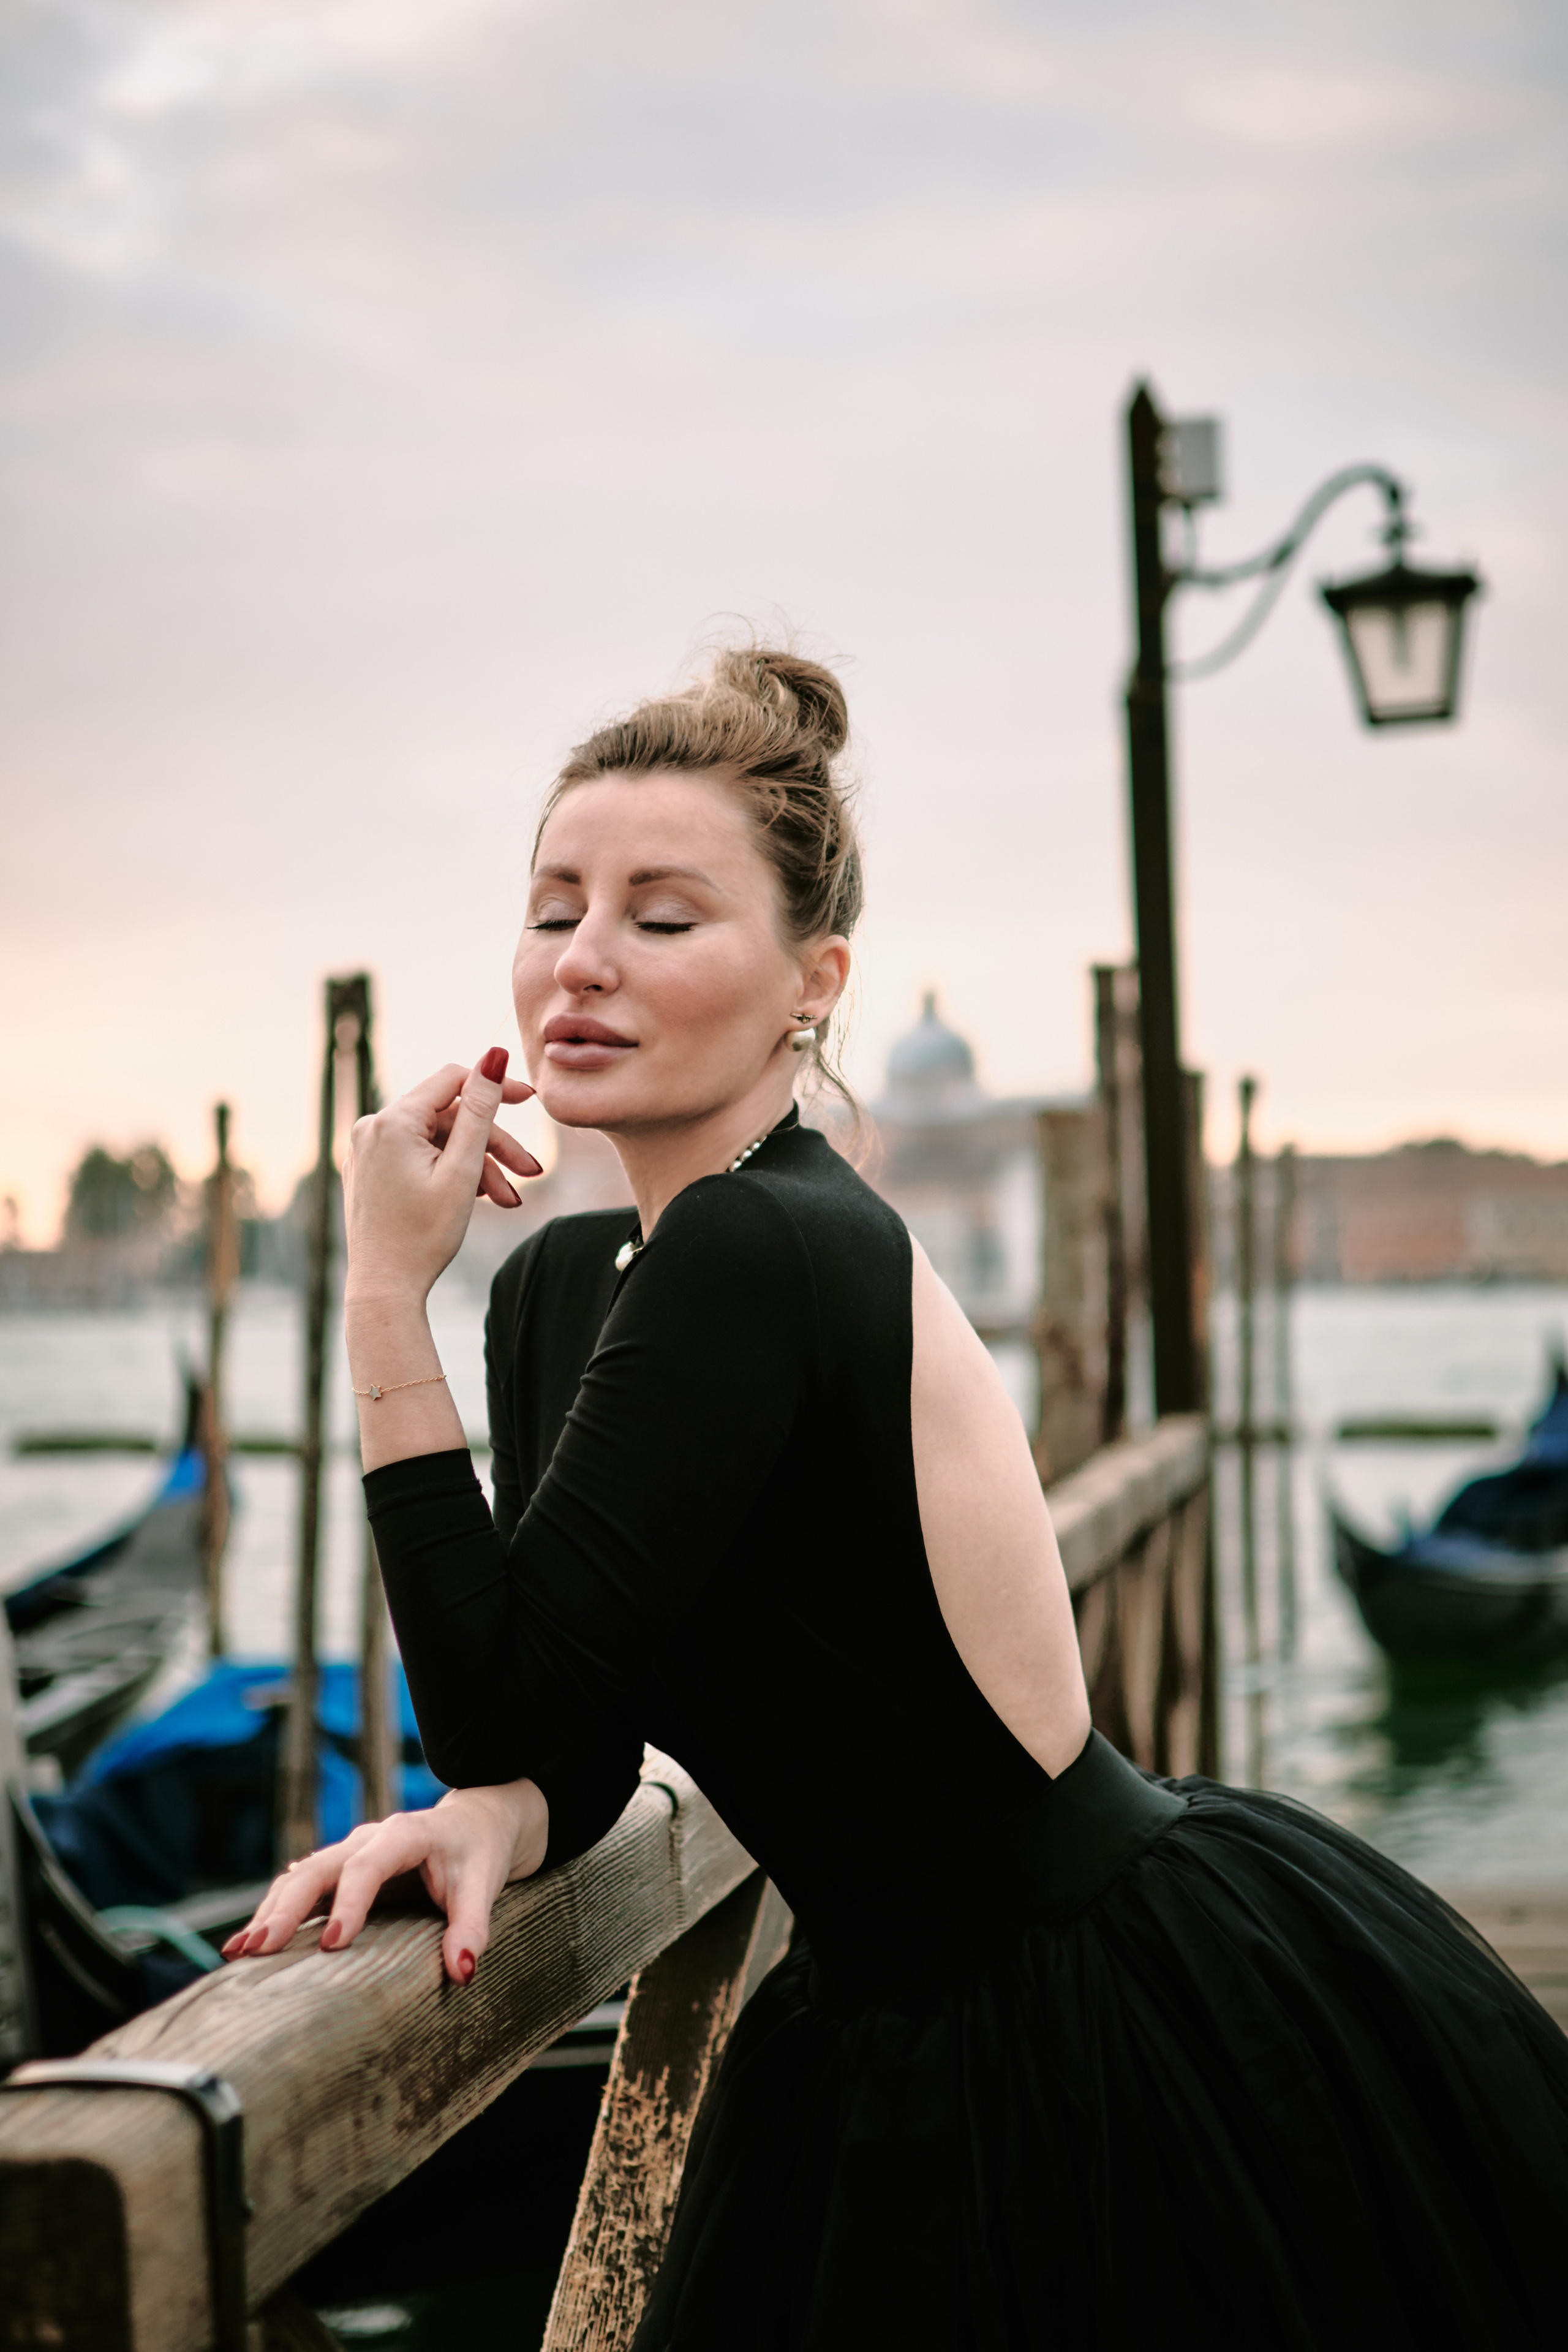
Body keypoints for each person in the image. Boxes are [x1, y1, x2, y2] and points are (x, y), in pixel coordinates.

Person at [232, 648, 1568, 2348]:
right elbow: (552, 1711)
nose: (582, 959)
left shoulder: (766, 1240)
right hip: (871, 2012)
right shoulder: (567, 1283)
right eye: (556, 903)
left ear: (812, 981)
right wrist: (497, 1813)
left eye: (661, 915)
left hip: (1079, 2018)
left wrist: (371, 1297)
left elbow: (486, 1683)